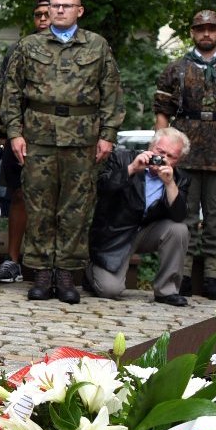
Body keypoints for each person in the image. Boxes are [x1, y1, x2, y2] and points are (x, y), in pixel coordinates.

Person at [1, 0, 122, 305]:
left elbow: (111, 93)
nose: (59, 10)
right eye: (55, 5)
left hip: (82, 138)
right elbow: (11, 93)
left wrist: (107, 136)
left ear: (79, 11)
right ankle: (41, 272)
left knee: (75, 209)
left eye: (66, 6)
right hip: (39, 136)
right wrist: (15, 132)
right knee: (38, 207)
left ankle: (67, 274)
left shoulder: (97, 46)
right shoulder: (29, 46)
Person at [152, 9, 216, 300]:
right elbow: (162, 112)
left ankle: (211, 277)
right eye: (200, 29)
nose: (206, 33)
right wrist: (162, 149)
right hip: (184, 151)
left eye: (211, 28)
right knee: (182, 215)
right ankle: (180, 275)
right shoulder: (175, 69)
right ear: (192, 33)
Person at [88, 128, 193, 305]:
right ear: (151, 146)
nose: (163, 158)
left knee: (179, 229)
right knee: (110, 290)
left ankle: (166, 291)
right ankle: (91, 271)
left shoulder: (179, 178)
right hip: (115, 234)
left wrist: (169, 184)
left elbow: (179, 216)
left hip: (146, 232)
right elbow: (102, 189)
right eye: (160, 152)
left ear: (179, 160)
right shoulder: (122, 158)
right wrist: (131, 169)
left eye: (171, 156)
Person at [0, 0, 54, 282]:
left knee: (61, 200)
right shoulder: (19, 49)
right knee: (18, 195)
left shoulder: (81, 48)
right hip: (24, 132)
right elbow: (6, 93)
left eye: (48, 13)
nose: (43, 19)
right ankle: (13, 260)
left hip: (63, 136)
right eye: (38, 14)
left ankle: (54, 262)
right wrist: (4, 133)